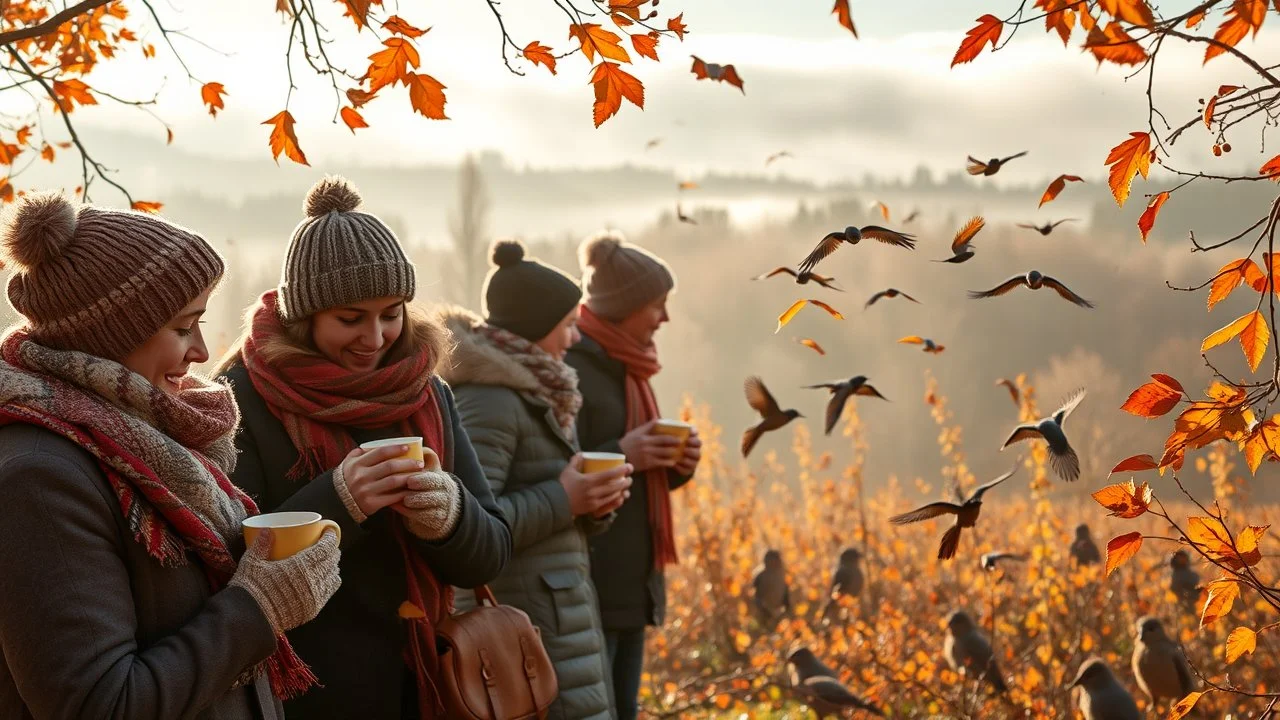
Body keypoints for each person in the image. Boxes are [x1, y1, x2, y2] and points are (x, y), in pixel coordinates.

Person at [0, 192, 341, 719]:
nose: (202, 352)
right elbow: (99, 704)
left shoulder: (146, 439)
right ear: (111, 335)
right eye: (184, 327)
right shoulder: (41, 477)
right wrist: (259, 607)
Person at [216, 176, 511, 719]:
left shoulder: (426, 390)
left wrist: (448, 515)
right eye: (349, 319)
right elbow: (225, 562)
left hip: (423, 684)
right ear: (304, 318)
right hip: (303, 694)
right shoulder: (240, 399)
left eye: (391, 313)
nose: (375, 339)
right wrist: (338, 501)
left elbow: (490, 552)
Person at [438, 239, 633, 720]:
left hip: (558, 621)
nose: (575, 339)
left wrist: (591, 504)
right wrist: (565, 499)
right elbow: (472, 528)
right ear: (537, 327)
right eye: (568, 326)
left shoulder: (536, 391)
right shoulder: (491, 400)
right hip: (525, 632)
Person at [565, 231, 702, 720]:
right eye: (657, 306)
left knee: (625, 709)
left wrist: (676, 466)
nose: (664, 318)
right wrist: (627, 453)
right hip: (596, 584)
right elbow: (564, 469)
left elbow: (635, 478)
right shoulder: (574, 371)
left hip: (632, 584)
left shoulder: (629, 368)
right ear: (624, 306)